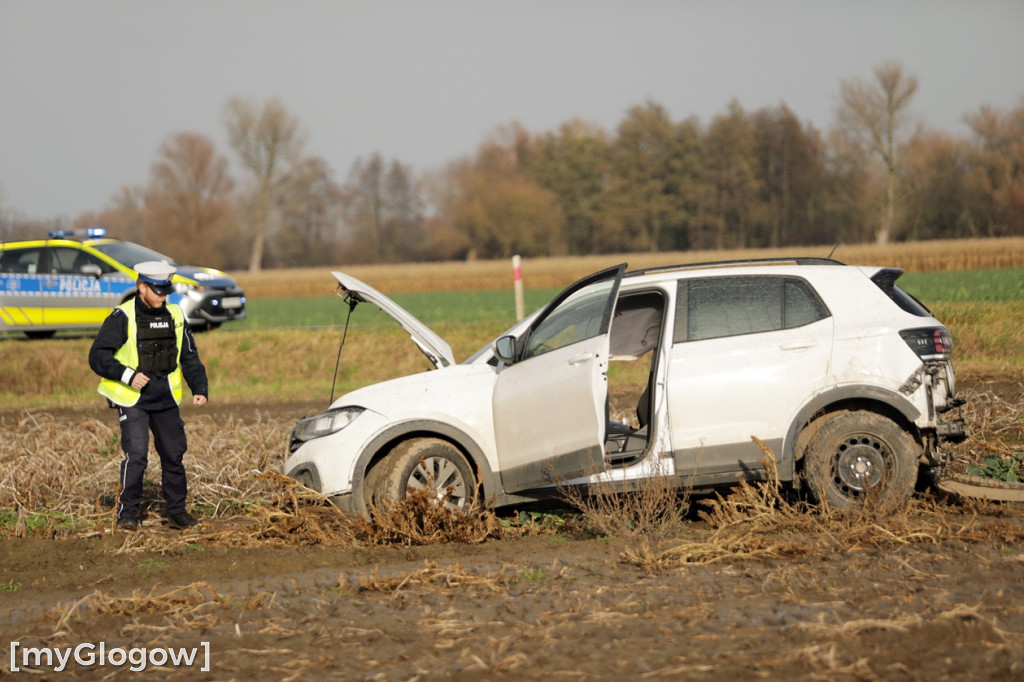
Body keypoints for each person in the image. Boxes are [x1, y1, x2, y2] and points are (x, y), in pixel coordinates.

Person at [89, 261, 209, 531]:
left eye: (166, 290)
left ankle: (177, 512)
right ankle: (127, 514)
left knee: (173, 454)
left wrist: (199, 388)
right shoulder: (122, 316)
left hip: (165, 399)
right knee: (137, 455)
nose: (164, 296)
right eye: (158, 290)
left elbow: (189, 356)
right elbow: (97, 356)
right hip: (132, 399)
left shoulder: (176, 315)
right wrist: (127, 375)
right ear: (141, 287)